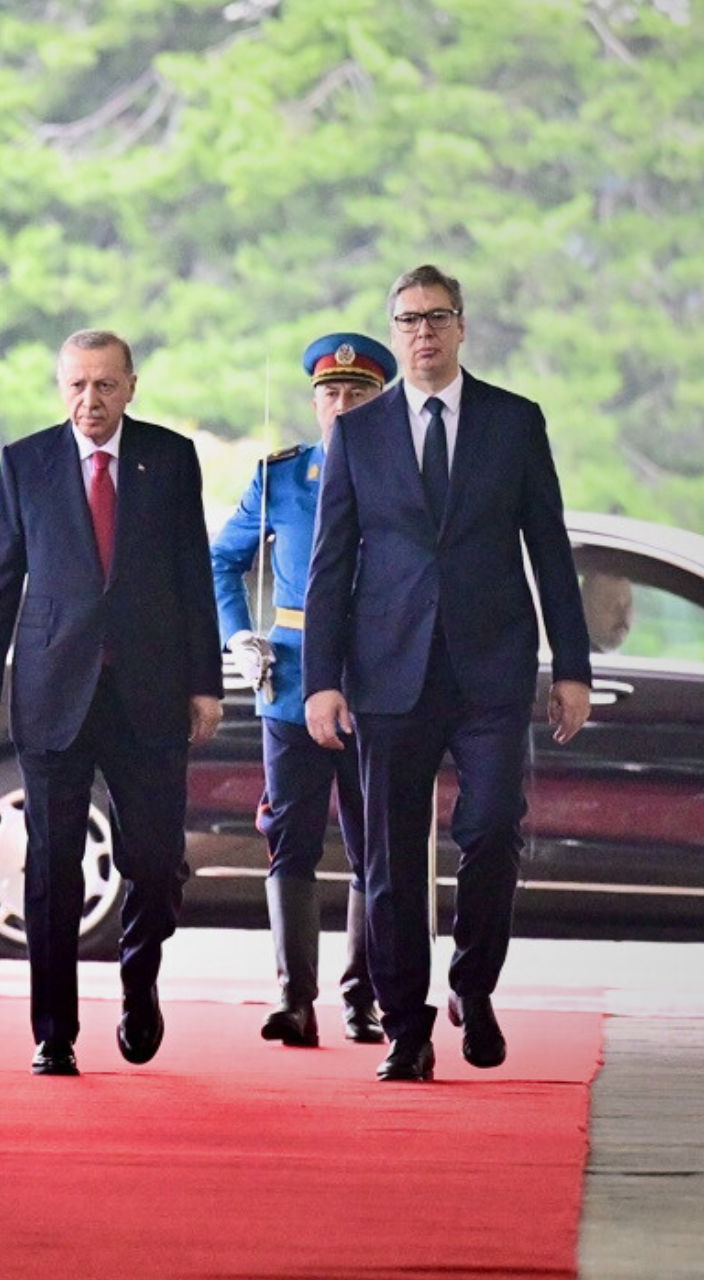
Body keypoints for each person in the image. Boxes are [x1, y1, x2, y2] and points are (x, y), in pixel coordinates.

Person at [303, 264, 592, 1082]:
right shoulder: (358, 433)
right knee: (392, 858)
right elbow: (331, 566)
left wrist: (572, 666)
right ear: (394, 334)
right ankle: (406, 1023)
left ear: (462, 326)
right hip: (388, 672)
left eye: (437, 317)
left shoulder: (514, 422)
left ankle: (475, 984)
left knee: (494, 826)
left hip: (491, 669)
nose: (423, 333)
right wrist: (321, 678)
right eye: (408, 321)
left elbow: (550, 550)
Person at [0, 328, 222, 1076]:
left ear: (131, 387)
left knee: (156, 858)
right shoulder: (25, 463)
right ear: (60, 388)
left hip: (150, 692)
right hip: (52, 692)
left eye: (105, 385)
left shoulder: (169, 459)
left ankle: (140, 985)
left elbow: (193, 579)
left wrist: (205, 684)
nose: (90, 400)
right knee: (52, 868)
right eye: (76, 385)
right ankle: (55, 1032)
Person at [211, 333, 394, 1048]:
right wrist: (237, 636)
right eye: (330, 394)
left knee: (375, 844)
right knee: (289, 839)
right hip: (288, 678)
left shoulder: (406, 477)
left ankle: (364, 998)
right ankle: (295, 999)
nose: (341, 406)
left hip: (377, 679)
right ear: (314, 401)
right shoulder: (281, 478)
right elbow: (220, 560)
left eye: (356, 394)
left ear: (381, 402)